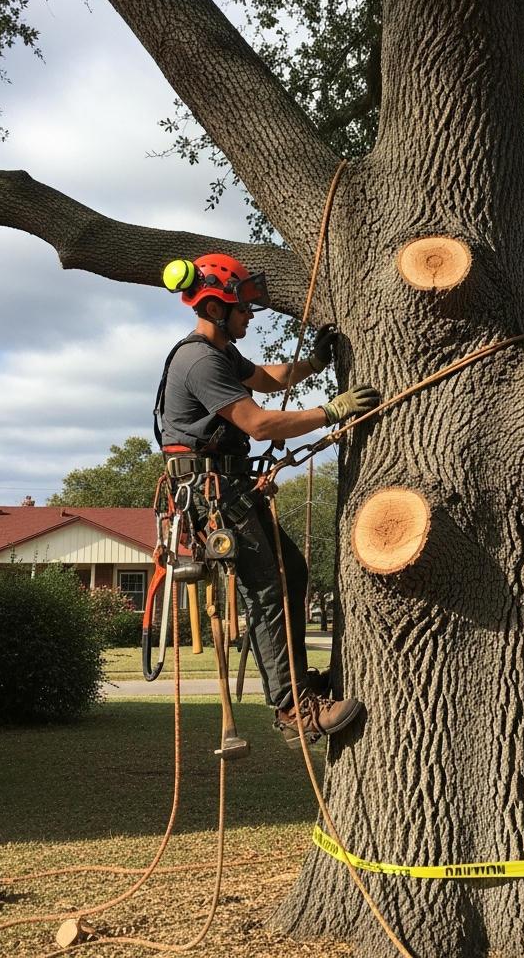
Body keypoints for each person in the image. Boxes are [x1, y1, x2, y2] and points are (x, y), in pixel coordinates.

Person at [154, 253, 379, 747]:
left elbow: (269, 379)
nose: (250, 315)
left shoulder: (221, 354)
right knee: (268, 587)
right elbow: (258, 424)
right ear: (215, 308)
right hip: (211, 495)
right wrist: (330, 411)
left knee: (290, 573)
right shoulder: (199, 360)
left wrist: (316, 364)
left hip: (230, 487)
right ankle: (291, 708)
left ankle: (295, 680)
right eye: (242, 308)